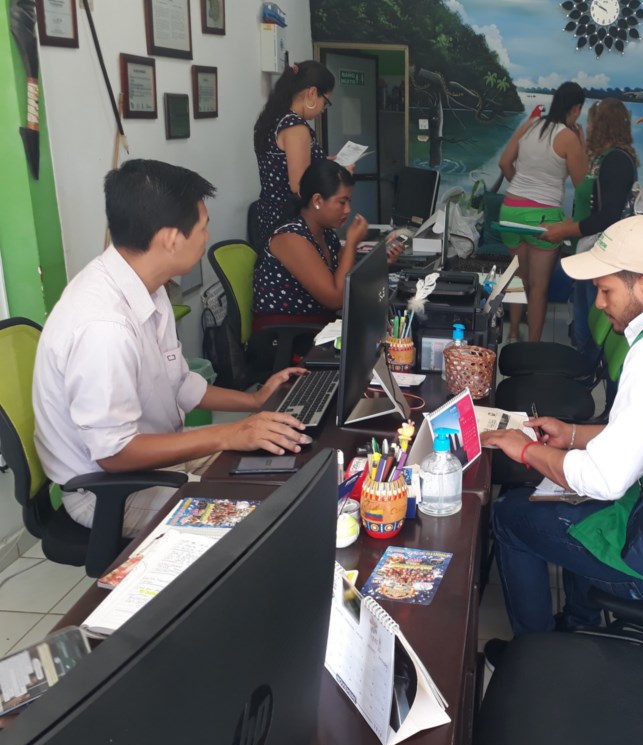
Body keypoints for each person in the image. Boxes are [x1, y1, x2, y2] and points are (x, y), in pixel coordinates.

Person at [480, 217, 643, 661]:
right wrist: (571, 435)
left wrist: (525, 449)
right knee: (575, 502)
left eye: (606, 290)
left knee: (512, 516)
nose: (599, 303)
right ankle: (581, 624)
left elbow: (605, 479)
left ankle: (534, 655)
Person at [33, 159, 312, 536]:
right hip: (110, 492)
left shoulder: (148, 285)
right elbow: (114, 454)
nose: (207, 236)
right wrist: (228, 434)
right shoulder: (104, 327)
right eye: (203, 227)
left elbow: (179, 383)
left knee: (285, 469)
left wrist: (256, 401)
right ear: (170, 238)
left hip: (158, 464)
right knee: (265, 519)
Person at [252, 159, 402, 333]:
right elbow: (336, 298)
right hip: (287, 336)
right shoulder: (291, 238)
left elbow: (345, 279)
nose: (348, 210)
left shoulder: (325, 234)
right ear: (317, 200)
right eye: (342, 202)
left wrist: (381, 263)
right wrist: (352, 242)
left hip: (317, 328)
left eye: (349, 202)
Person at [542, 98, 639, 360]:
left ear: (603, 124)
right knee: (582, 323)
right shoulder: (603, 159)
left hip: (600, 256)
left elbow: (607, 216)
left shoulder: (616, 161)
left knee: (588, 330)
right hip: (587, 253)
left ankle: (584, 378)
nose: (589, 125)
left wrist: (566, 231)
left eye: (592, 121)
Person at [498, 82, 589, 343]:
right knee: (539, 287)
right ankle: (533, 347)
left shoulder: (529, 125)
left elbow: (504, 163)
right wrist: (581, 145)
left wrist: (521, 193)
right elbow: (582, 184)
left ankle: (513, 333)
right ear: (576, 108)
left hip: (510, 211)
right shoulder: (568, 137)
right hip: (543, 218)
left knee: (518, 276)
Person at [253, 60, 335, 250]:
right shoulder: (296, 127)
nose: (323, 109)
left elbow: (285, 166)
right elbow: (299, 185)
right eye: (326, 102)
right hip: (292, 221)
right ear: (312, 93)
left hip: (270, 214)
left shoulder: (273, 119)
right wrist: (335, 174)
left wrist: (323, 164)